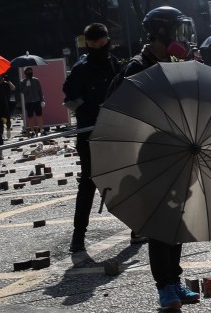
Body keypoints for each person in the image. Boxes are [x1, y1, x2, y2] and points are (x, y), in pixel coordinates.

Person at [113, 6, 200, 310]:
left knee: (176, 221)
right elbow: (117, 110)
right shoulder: (137, 67)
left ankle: (175, 281)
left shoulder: (176, 61)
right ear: (163, 34)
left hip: (178, 151)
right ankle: (164, 287)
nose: (183, 39)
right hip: (150, 157)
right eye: (177, 32)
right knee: (159, 224)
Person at [63, 22, 120, 254]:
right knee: (88, 182)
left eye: (102, 43)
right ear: (86, 44)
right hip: (89, 134)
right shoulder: (80, 68)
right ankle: (78, 235)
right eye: (93, 44)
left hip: (115, 132)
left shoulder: (115, 64)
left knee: (125, 179)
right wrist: (90, 112)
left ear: (108, 40)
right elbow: (70, 99)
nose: (98, 47)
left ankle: (138, 228)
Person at [20, 67, 44, 135]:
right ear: (25, 73)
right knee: (30, 117)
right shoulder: (22, 81)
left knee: (39, 115)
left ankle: (41, 130)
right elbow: (23, 92)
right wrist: (27, 86)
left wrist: (42, 100)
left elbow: (40, 91)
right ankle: (32, 131)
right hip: (29, 102)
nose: (30, 72)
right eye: (28, 71)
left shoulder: (36, 80)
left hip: (37, 101)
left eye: (31, 71)